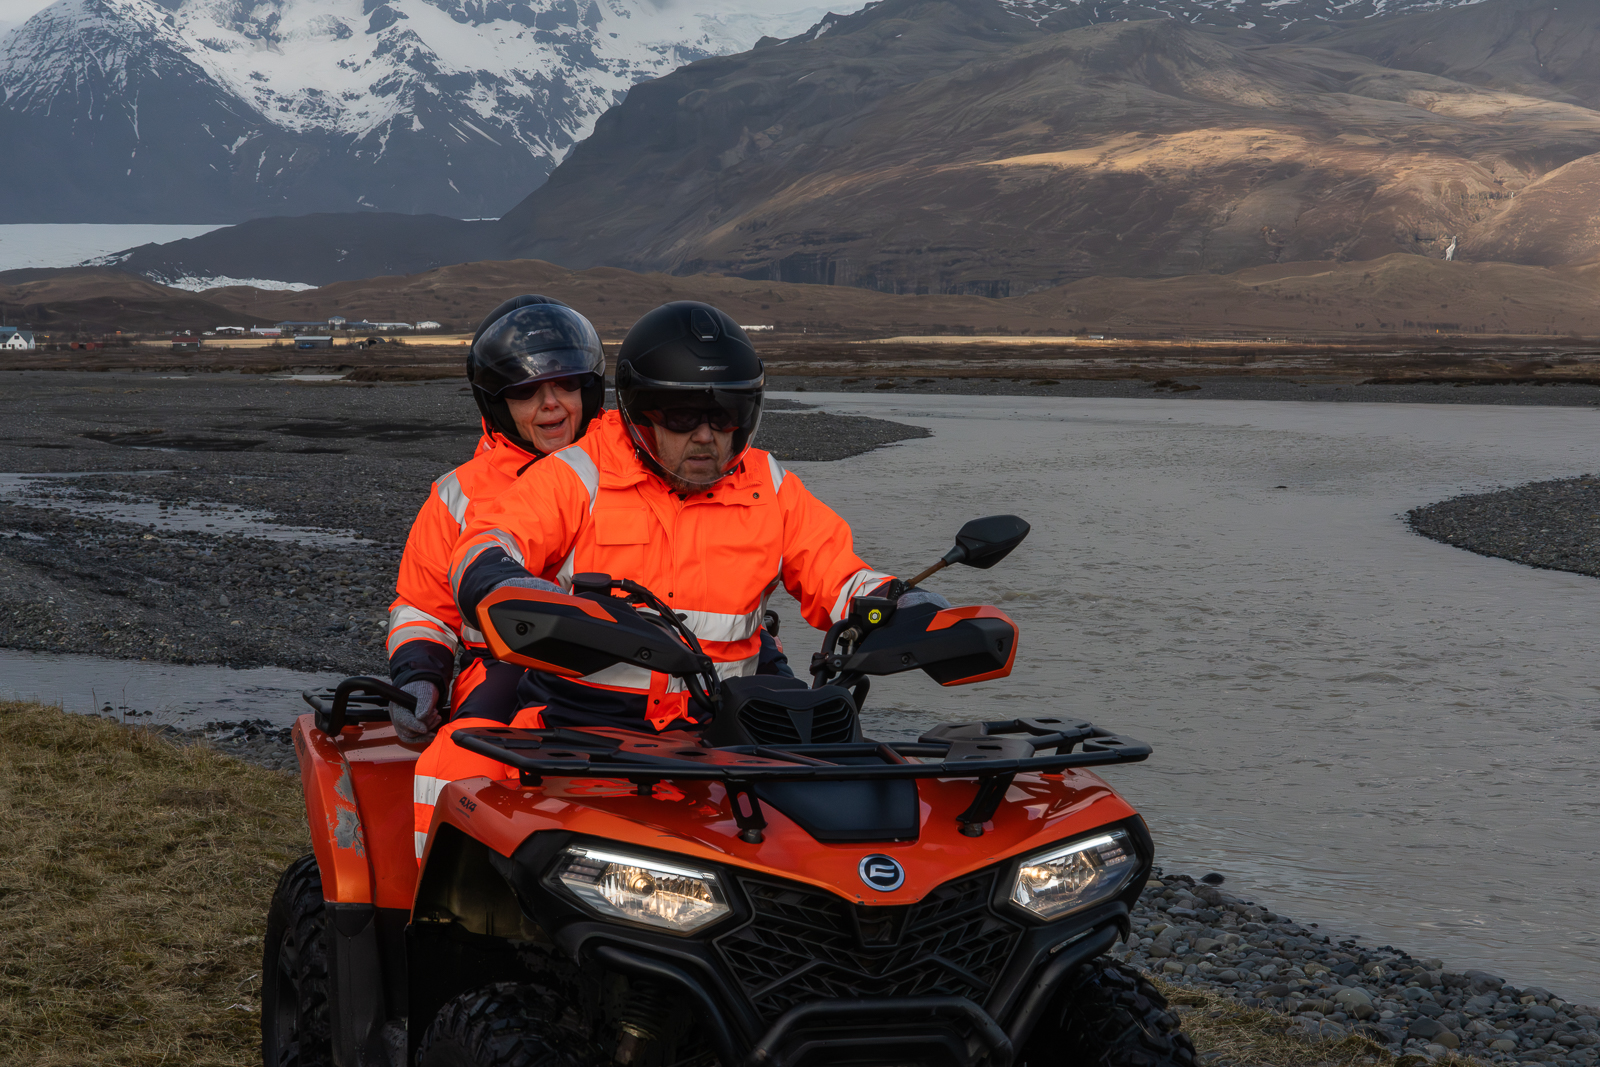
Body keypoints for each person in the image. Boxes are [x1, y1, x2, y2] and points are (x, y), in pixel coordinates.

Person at [413, 301, 944, 840]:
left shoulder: (770, 484)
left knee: (872, 807)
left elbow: (838, 572)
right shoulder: (579, 472)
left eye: (724, 415)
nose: (706, 436)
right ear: (643, 414)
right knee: (456, 769)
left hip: (733, 723)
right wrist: (504, 579)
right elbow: (489, 540)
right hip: (584, 720)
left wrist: (908, 610)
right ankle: (424, 917)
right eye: (683, 417)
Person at [385, 295, 606, 755]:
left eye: (565, 384)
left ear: (589, 388)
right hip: (502, 672)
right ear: (498, 403)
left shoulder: (635, 470)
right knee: (462, 767)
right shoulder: (456, 494)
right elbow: (423, 610)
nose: (550, 404)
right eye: (525, 390)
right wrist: (420, 677)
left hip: (626, 672)